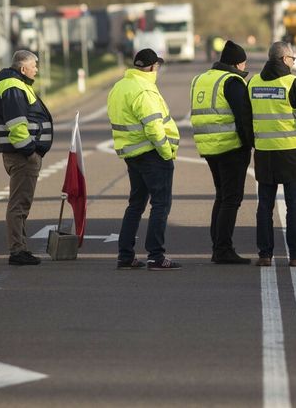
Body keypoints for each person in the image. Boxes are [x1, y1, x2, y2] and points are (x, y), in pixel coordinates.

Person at [109, 48, 181, 270]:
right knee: (161, 204)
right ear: (151, 67)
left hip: (132, 154)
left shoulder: (120, 86)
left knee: (136, 204)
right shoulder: (145, 90)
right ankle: (156, 256)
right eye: (157, 66)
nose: (157, 69)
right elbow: (153, 127)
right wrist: (167, 152)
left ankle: (125, 255)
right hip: (152, 154)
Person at [250, 41, 296, 267]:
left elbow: (245, 117)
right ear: (283, 59)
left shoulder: (253, 83)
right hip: (291, 153)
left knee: (264, 206)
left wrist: (256, 142)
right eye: (292, 58)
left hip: (264, 153)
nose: (293, 62)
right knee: (293, 206)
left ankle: (264, 254)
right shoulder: (294, 83)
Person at [190, 39, 254, 264]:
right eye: (244, 63)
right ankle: (223, 249)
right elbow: (243, 116)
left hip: (208, 147)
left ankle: (218, 246)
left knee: (222, 196)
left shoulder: (201, 78)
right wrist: (249, 144)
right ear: (237, 64)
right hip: (230, 147)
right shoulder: (233, 81)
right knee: (231, 198)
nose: (245, 68)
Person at [0, 49, 53, 266]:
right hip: (22, 155)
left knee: (21, 203)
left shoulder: (17, 84)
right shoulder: (13, 86)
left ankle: (21, 248)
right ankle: (17, 251)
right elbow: (17, 124)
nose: (36, 69)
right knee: (19, 204)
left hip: (22, 154)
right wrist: (29, 151)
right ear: (23, 67)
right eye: (34, 65)